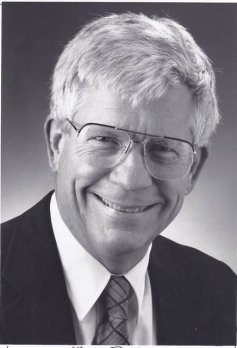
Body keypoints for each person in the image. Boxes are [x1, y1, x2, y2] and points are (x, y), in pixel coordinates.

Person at [1, 12, 236, 345]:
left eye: (164, 149)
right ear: (57, 143)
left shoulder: (222, 293)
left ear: (193, 170)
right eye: (104, 140)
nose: (131, 180)